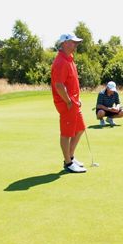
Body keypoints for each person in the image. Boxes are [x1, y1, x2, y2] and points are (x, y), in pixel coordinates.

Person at [51, 33, 87, 173]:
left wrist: (76, 99)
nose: (76, 45)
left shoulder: (69, 58)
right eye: (73, 42)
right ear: (65, 43)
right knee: (66, 133)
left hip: (73, 101)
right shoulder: (60, 61)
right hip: (67, 103)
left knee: (80, 128)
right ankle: (68, 163)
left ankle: (70, 156)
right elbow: (59, 85)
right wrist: (68, 101)